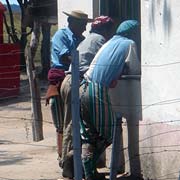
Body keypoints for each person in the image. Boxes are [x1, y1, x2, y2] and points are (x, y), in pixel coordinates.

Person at [79, 20, 143, 180]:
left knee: (90, 133)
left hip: (83, 87)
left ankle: (88, 173)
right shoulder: (129, 43)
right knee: (108, 133)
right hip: (97, 89)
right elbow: (135, 68)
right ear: (133, 32)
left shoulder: (109, 42)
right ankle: (89, 163)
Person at [60, 16, 115, 179]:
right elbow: (104, 61)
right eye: (110, 30)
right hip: (76, 82)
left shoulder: (90, 38)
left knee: (77, 126)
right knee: (74, 126)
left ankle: (77, 166)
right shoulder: (100, 40)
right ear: (105, 29)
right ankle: (69, 166)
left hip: (71, 81)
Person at [45, 10, 92, 179]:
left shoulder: (83, 40)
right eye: (82, 24)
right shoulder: (61, 35)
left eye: (86, 24)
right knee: (65, 122)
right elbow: (65, 57)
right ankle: (64, 159)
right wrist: (83, 63)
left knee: (79, 121)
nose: (85, 27)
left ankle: (77, 161)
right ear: (72, 22)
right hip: (62, 78)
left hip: (77, 78)